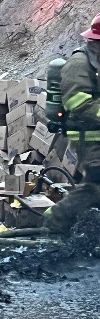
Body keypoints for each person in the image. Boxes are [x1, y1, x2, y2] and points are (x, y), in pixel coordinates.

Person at [42, 13, 100, 234]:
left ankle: (81, 228)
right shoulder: (78, 64)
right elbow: (78, 102)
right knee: (95, 186)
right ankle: (55, 221)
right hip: (88, 137)